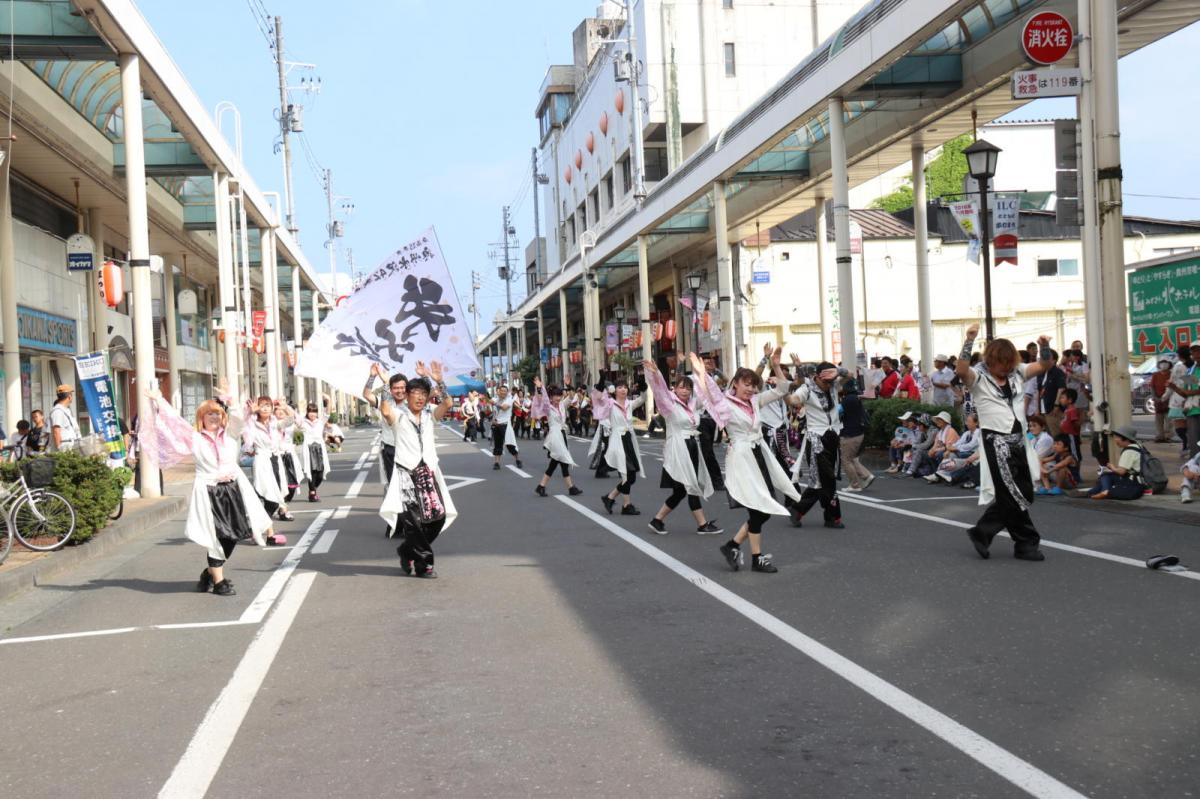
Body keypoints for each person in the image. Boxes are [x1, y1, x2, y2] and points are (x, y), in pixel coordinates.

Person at [140, 388, 274, 596]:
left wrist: (230, 400)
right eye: (209, 413)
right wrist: (159, 399)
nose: (214, 417)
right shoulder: (194, 438)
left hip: (233, 489)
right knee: (217, 536)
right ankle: (219, 582)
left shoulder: (230, 434)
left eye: (217, 413)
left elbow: (238, 419)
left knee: (233, 536)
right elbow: (175, 421)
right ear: (201, 418)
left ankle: (209, 574)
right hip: (209, 492)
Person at [689, 351, 800, 573]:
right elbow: (708, 394)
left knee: (762, 509)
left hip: (758, 455)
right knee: (759, 509)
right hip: (741, 458)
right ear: (736, 384)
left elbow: (782, 389)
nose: (750, 389)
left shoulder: (756, 401)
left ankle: (733, 546)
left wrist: (776, 366)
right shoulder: (725, 403)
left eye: (754, 385)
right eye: (746, 385)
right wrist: (701, 374)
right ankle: (755, 558)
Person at [956, 324, 1053, 562]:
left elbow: (1045, 365)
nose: (1006, 368)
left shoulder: (1017, 373)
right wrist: (969, 340)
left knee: (1024, 494)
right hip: (995, 442)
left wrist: (1044, 347)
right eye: (1002, 363)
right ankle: (1026, 543)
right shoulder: (978, 378)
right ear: (991, 361)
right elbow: (961, 370)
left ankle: (983, 532)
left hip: (1019, 441)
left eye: (1010, 362)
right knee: (1012, 493)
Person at [379, 362, 456, 578]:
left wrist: (439, 380)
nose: (420, 397)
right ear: (407, 396)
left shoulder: (430, 413)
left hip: (428, 474)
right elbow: (385, 410)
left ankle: (406, 550)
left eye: (423, 393)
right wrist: (386, 384)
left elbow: (448, 402)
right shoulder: (398, 414)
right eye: (415, 393)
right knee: (413, 522)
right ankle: (424, 564)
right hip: (407, 475)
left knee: (438, 518)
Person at [642, 359, 721, 535]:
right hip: (678, 448)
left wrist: (702, 373)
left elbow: (707, 394)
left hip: (692, 446)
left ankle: (657, 520)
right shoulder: (668, 404)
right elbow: (660, 391)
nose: (685, 390)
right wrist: (656, 373)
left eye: (688, 387)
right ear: (675, 388)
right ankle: (702, 524)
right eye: (681, 387)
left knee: (680, 491)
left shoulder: (692, 404)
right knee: (690, 486)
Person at [786, 360, 846, 529]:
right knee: (828, 477)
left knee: (820, 479)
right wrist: (785, 393)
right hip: (816, 438)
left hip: (833, 435)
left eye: (831, 381)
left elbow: (849, 376)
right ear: (817, 377)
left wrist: (836, 371)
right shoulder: (807, 388)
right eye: (825, 381)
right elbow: (794, 400)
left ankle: (798, 509)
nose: (829, 384)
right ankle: (833, 516)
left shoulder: (834, 385)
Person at [593, 377, 646, 516]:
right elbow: (598, 399)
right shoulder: (610, 404)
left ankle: (612, 498)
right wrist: (600, 382)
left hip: (628, 439)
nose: (623, 389)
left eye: (625, 387)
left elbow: (642, 399)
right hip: (617, 439)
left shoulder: (629, 404)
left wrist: (643, 387)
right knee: (628, 474)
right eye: (620, 387)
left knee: (630, 475)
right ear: (614, 390)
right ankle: (624, 504)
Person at [241, 395, 294, 522]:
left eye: (268, 406)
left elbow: (290, 420)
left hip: (275, 460)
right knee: (271, 498)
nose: (265, 408)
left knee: (276, 496)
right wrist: (249, 413)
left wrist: (285, 407)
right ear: (257, 407)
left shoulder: (274, 422)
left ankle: (260, 527)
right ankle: (260, 526)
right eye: (262, 405)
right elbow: (244, 431)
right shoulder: (252, 423)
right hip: (262, 462)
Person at [531, 377, 583, 497]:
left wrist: (569, 386)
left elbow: (571, 397)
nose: (558, 398)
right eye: (555, 396)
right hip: (555, 436)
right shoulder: (548, 407)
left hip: (562, 434)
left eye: (560, 395)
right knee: (561, 461)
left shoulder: (561, 405)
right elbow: (542, 399)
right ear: (551, 396)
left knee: (556, 462)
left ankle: (542, 486)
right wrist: (539, 387)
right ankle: (570, 488)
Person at [363, 368, 407, 486]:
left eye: (402, 387)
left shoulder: (412, 403)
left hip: (409, 448)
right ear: (391, 390)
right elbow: (367, 395)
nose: (399, 391)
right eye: (396, 388)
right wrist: (372, 376)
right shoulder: (386, 402)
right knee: (394, 484)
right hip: (390, 448)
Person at [1085, 426, 1145, 500]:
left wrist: (1112, 467)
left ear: (1125, 438)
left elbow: (1121, 472)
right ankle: (1090, 493)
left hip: (1133, 482)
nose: (1115, 440)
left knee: (1105, 475)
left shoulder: (1128, 452)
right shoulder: (1139, 446)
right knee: (1106, 478)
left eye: (1117, 437)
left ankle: (1103, 491)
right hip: (1141, 480)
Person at [839, 380, 873, 492]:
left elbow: (838, 412)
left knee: (846, 459)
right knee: (852, 457)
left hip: (850, 433)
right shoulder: (855, 398)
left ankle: (854, 485)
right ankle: (866, 475)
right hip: (858, 432)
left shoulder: (847, 399)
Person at [930, 413, 981, 486]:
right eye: (966, 421)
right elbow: (958, 443)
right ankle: (940, 474)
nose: (967, 423)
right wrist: (950, 449)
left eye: (969, 421)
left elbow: (971, 446)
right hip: (962, 453)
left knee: (950, 457)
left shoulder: (978, 433)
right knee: (949, 454)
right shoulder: (967, 433)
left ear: (976, 423)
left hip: (971, 454)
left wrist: (954, 448)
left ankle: (940, 475)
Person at [297, 398, 331, 502]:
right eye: (310, 411)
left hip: (319, 449)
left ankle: (313, 489)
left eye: (314, 412)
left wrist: (328, 401)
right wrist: (299, 409)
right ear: (307, 412)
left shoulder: (320, 422)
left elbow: (327, 413)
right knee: (311, 472)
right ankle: (312, 493)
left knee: (320, 473)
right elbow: (296, 419)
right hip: (308, 449)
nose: (312, 414)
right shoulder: (303, 422)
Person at [912, 410, 959, 478]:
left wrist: (935, 450)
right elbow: (935, 444)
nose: (937, 421)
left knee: (939, 453)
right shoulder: (940, 432)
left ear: (945, 421)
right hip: (941, 449)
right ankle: (934, 471)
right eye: (937, 420)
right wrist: (932, 450)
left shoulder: (951, 431)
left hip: (951, 451)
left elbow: (948, 447)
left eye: (939, 420)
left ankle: (939, 474)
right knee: (926, 453)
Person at [270, 400, 300, 504]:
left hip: (288, 454)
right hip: (276, 455)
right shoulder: (271, 424)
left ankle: (285, 501)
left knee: (291, 483)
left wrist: (285, 406)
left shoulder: (288, 423)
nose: (280, 412)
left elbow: (295, 420)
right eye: (277, 410)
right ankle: (280, 503)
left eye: (282, 410)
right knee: (279, 481)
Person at [489, 384, 523, 471]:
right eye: (501, 391)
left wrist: (495, 403)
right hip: (496, 425)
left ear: (507, 392)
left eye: (505, 391)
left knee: (510, 444)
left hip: (506, 425)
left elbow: (504, 408)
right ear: (498, 392)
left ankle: (517, 459)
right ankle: (497, 463)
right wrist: (492, 420)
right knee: (497, 444)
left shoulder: (509, 400)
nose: (503, 392)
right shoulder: (495, 399)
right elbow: (492, 412)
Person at [1057, 388, 1083, 482]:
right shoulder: (1067, 410)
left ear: (1070, 400)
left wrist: (1075, 434)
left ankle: (1076, 475)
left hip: (1071, 436)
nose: (1061, 400)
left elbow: (1076, 423)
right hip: (1067, 435)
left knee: (1075, 455)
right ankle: (1071, 473)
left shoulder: (1072, 410)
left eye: (1063, 398)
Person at [50, 384, 81, 451]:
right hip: (64, 447)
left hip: (71, 445)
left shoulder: (66, 410)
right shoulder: (57, 411)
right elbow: (56, 431)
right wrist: (60, 450)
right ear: (69, 397)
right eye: (71, 395)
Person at [1151, 358, 1173, 442]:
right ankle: (1160, 436)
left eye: (1165, 363)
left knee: (1169, 420)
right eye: (1162, 363)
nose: (1163, 365)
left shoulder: (1171, 374)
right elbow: (1152, 387)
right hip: (1158, 400)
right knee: (1158, 419)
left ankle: (1168, 436)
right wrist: (1155, 397)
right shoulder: (1155, 375)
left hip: (1169, 399)